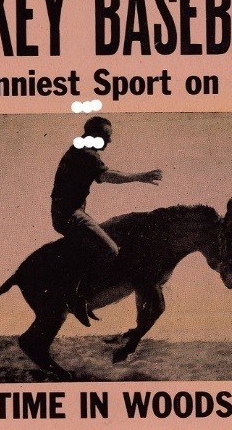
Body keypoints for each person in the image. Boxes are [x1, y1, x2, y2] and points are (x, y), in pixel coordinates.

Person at [51, 116, 162, 326]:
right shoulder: (86, 154)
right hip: (69, 215)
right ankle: (78, 297)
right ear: (96, 135)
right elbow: (109, 175)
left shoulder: (79, 149)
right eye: (107, 136)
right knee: (110, 250)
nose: (110, 142)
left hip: (70, 213)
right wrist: (140, 176)